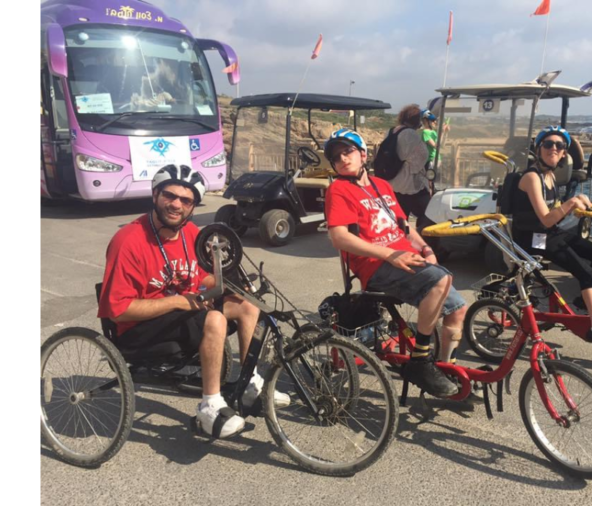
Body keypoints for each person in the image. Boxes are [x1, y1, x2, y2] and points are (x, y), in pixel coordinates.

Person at [98, 165, 289, 440]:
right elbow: (118, 311)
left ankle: (250, 384)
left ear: (193, 206)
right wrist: (177, 302)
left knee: (247, 304)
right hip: (140, 331)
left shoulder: (190, 233)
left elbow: (202, 277)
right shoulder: (128, 240)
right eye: (169, 195)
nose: (176, 204)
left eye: (185, 200)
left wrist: (232, 285)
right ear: (155, 195)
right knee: (214, 318)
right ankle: (210, 406)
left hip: (183, 313)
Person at [323, 128, 468, 397]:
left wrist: (425, 248)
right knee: (442, 279)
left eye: (348, 152)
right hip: (375, 265)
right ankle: (420, 363)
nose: (342, 159)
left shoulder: (382, 185)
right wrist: (390, 254)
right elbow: (339, 238)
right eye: (336, 157)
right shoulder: (339, 190)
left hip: (405, 259)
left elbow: (403, 228)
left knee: (458, 309)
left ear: (363, 154)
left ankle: (446, 372)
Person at [511, 126, 592, 347]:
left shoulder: (550, 177)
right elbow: (546, 219)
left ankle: (585, 302)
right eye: (548, 144)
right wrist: (570, 203)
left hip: (550, 234)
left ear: (564, 153)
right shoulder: (532, 177)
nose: (553, 149)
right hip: (531, 238)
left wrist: (577, 203)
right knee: (584, 272)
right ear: (538, 149)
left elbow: (555, 214)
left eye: (559, 146)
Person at [387, 104, 432, 230]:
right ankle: (423, 243)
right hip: (410, 185)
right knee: (427, 215)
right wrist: (414, 167)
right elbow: (423, 155)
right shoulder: (410, 134)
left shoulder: (391, 131)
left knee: (400, 218)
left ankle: (402, 241)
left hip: (393, 182)